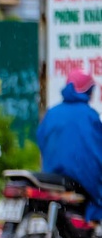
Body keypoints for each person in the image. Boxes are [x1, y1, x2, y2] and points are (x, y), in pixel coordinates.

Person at [37, 69, 102, 221]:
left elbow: (41, 139)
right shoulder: (89, 115)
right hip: (80, 176)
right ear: (87, 91)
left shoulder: (52, 112)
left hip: (51, 173)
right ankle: (93, 224)